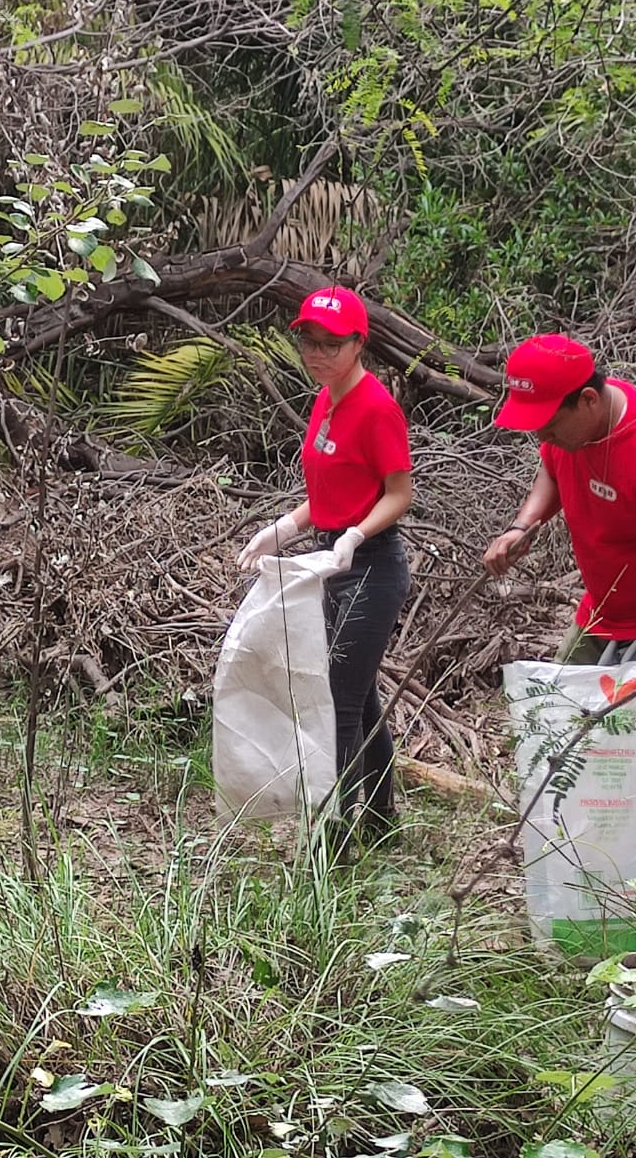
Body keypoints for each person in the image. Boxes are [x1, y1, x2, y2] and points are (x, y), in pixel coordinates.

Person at [482, 333, 636, 907]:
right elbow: (551, 465)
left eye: (548, 422)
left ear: (588, 402)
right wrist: (524, 526)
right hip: (603, 612)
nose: (540, 435)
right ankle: (583, 888)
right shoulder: (565, 433)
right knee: (561, 733)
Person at [236, 286, 415, 852]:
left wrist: (358, 534)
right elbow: (330, 492)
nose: (317, 354)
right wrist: (282, 529)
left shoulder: (375, 406)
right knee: (357, 698)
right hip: (330, 559)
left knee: (333, 702)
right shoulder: (326, 398)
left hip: (371, 565)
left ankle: (329, 847)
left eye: (331, 345)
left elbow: (398, 493)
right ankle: (382, 823)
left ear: (359, 344)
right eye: (308, 342)